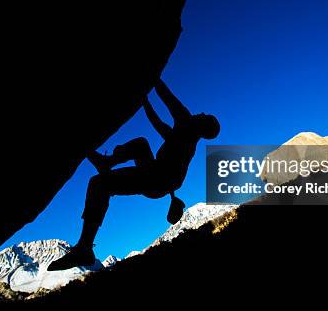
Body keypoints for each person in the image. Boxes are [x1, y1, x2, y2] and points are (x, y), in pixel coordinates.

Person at [48, 79, 220, 270]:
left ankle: (84, 248)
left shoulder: (186, 123)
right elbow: (158, 123)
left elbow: (166, 96)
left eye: (205, 116)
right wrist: (144, 101)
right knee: (141, 144)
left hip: (156, 180)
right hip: (157, 177)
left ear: (204, 125)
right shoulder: (185, 135)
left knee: (99, 184)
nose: (202, 113)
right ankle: (106, 163)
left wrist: (152, 78)